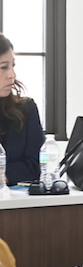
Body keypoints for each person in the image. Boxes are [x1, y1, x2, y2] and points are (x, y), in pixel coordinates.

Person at [0, 34, 43, 184]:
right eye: (4, 67)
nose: (12, 74)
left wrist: (3, 177)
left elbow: (36, 167)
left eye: (13, 66)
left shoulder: (26, 109)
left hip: (16, 203)